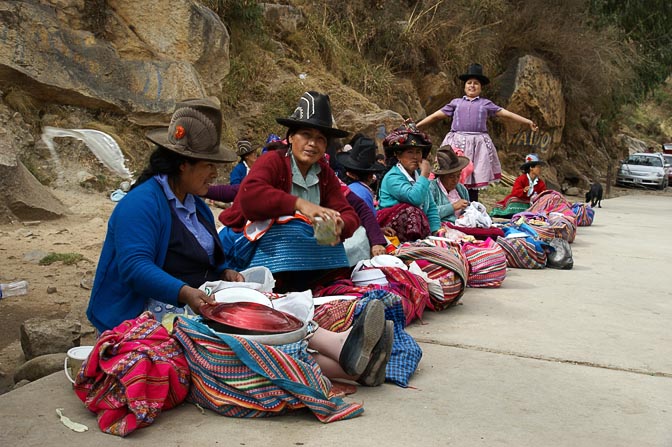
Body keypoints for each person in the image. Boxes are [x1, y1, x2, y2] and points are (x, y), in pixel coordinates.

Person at [87, 98, 243, 334]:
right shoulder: (141, 204)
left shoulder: (195, 205)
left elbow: (206, 255)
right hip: (141, 316)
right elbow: (135, 266)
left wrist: (224, 271)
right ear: (183, 165)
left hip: (186, 308)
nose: (215, 173)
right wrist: (185, 292)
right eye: (209, 165)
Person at [217, 91, 360, 292]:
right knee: (292, 227)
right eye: (306, 135)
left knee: (326, 239)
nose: (312, 143)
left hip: (298, 254)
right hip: (248, 246)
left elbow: (348, 212)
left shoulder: (325, 174)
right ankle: (280, 287)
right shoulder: (273, 161)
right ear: (291, 137)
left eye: (320, 138)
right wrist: (301, 205)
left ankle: (309, 286)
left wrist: (340, 224)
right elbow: (251, 197)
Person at [416, 63, 539, 202]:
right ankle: (449, 203)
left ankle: (472, 205)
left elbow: (506, 114)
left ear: (480, 87)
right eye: (469, 83)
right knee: (453, 173)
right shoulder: (456, 103)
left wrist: (527, 121)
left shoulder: (485, 104)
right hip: (457, 143)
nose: (472, 86)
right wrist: (417, 126)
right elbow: (435, 116)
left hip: (478, 145)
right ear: (464, 86)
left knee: (473, 177)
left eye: (476, 83)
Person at [376, 121, 440, 242]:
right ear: (398, 155)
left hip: (417, 228)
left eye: (418, 152)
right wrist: (424, 175)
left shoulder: (418, 176)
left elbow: (431, 207)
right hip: (392, 229)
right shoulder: (393, 177)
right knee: (411, 210)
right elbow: (414, 198)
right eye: (410, 152)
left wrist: (436, 231)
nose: (415, 157)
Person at [491, 153, 547, 218]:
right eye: (538, 167)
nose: (540, 169)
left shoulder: (540, 183)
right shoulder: (521, 179)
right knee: (513, 200)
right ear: (531, 168)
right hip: (520, 201)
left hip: (530, 203)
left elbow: (543, 193)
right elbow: (515, 192)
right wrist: (523, 191)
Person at [428, 146, 471, 223]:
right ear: (442, 176)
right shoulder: (431, 188)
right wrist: (453, 207)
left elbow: (468, 210)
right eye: (451, 176)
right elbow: (429, 213)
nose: (455, 180)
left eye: (458, 175)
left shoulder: (462, 189)